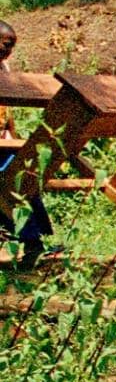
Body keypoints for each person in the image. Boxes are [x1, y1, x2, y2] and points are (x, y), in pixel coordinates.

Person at [0, 20, 54, 266]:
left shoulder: (4, 69)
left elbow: (6, 110)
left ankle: (37, 239)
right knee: (8, 187)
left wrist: (13, 135)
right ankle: (32, 241)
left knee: (24, 178)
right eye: (5, 43)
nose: (7, 49)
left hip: (3, 141)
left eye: (11, 46)